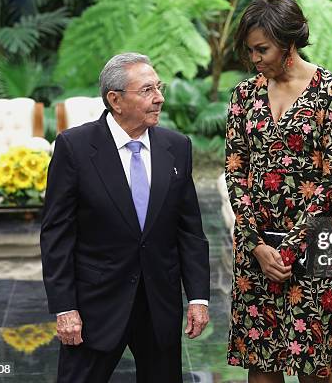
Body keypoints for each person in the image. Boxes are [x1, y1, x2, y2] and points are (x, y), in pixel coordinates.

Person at [40, 52, 210, 382]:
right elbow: (56, 235)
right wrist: (65, 308)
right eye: (147, 90)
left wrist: (199, 299)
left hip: (159, 305)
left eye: (158, 87)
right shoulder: (75, 148)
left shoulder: (177, 147)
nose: (159, 97)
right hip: (94, 307)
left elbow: (190, 232)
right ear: (115, 100)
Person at [225, 0, 332, 383]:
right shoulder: (244, 97)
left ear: (290, 41)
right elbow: (236, 170)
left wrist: (287, 249)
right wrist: (257, 245)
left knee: (315, 367)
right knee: (261, 364)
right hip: (256, 248)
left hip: (316, 247)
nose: (255, 59)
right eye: (250, 51)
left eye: (262, 49)